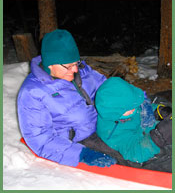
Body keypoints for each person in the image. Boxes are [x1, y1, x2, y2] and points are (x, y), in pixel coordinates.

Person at [17, 29, 117, 167]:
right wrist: (81, 154)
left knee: (142, 135)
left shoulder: (82, 71)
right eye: (69, 66)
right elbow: (40, 139)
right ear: (50, 64)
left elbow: (109, 90)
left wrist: (137, 101)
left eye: (76, 63)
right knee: (127, 156)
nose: (75, 70)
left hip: (104, 124)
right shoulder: (33, 93)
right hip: (79, 142)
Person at [95, 77, 172, 165]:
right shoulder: (112, 132)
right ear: (116, 112)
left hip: (150, 130)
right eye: (129, 108)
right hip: (145, 146)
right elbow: (134, 153)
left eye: (134, 104)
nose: (134, 108)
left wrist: (158, 111)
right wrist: (158, 137)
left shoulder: (129, 106)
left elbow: (143, 107)